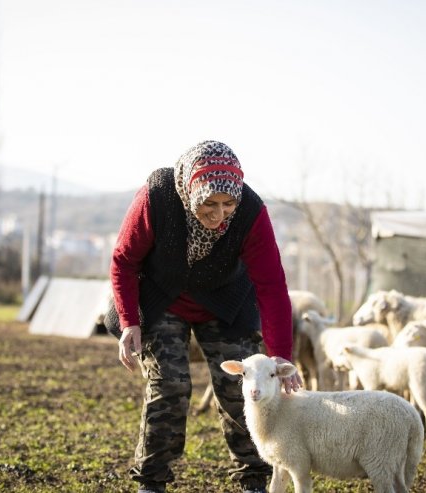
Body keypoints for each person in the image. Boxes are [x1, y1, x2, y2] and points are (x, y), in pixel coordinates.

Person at [104, 140, 301, 493]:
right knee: (170, 385)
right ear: (191, 192)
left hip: (225, 301)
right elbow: (124, 260)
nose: (219, 213)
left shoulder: (251, 212)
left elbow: (271, 286)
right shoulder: (158, 196)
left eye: (228, 204)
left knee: (239, 385)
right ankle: (152, 482)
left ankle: (253, 479)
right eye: (210, 203)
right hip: (162, 297)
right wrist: (130, 320)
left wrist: (281, 354)